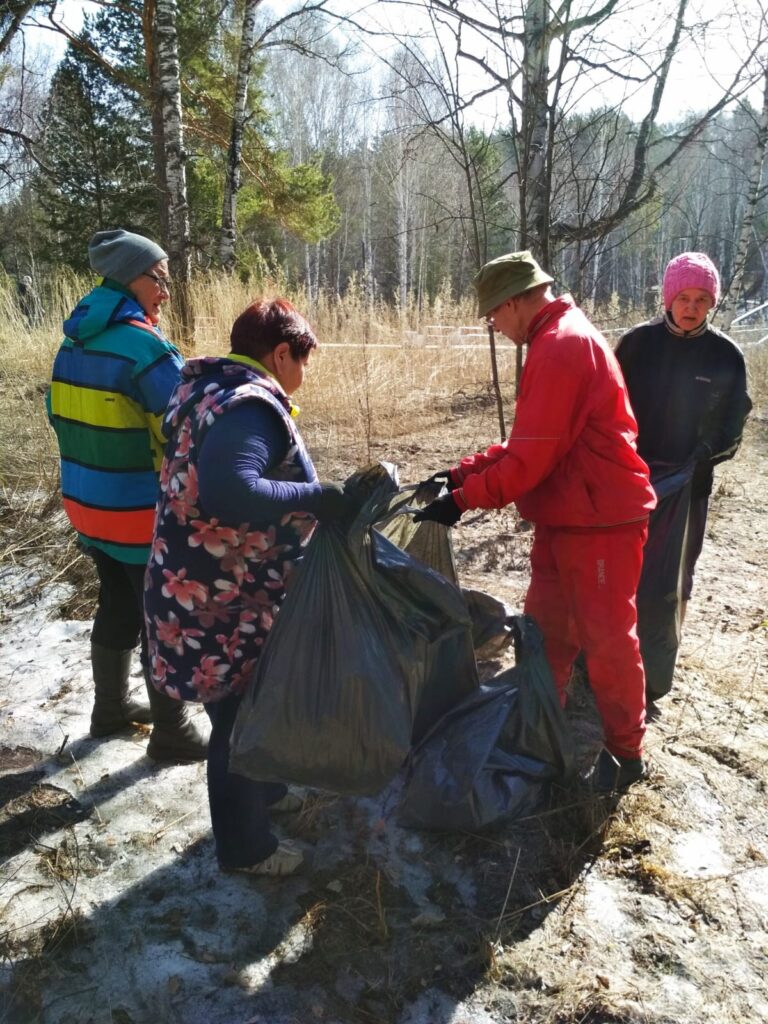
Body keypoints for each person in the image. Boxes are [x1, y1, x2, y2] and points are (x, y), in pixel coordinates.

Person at [414, 251, 657, 792]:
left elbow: (530, 462)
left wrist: (463, 502)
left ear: (519, 300)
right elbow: (530, 441)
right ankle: (540, 727)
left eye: (494, 314)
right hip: (566, 517)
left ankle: (625, 752)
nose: (494, 326)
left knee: (609, 641)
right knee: (545, 631)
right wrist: (460, 473)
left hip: (600, 523)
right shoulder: (553, 340)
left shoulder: (563, 346)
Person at [143, 298, 354, 877]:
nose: (304, 375)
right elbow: (232, 492)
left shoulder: (204, 390)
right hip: (220, 601)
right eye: (302, 361)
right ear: (280, 353)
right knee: (238, 724)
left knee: (243, 710)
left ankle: (263, 793)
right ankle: (245, 848)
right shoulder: (250, 406)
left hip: (201, 587)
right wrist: (317, 497)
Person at [46, 228, 207, 762]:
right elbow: (187, 427)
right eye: (158, 278)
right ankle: (172, 730)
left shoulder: (73, 341)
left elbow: (58, 417)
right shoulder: (145, 348)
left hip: (87, 507)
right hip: (138, 514)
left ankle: (110, 711)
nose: (165, 290)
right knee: (162, 617)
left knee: (117, 600)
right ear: (129, 280)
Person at [615, 252, 752, 702]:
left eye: (702, 299)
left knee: (670, 583)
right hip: (628, 484)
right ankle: (602, 658)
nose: (691, 307)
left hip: (688, 491)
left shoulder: (726, 356)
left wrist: (704, 456)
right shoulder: (636, 345)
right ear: (668, 297)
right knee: (617, 573)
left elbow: (734, 423)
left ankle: (652, 677)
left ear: (711, 304)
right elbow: (607, 408)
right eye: (683, 297)